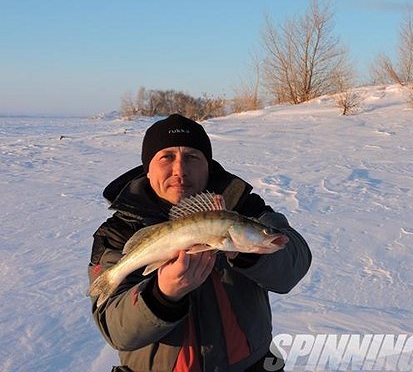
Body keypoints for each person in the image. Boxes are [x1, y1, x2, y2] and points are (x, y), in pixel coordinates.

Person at [88, 114, 312, 372]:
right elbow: (116, 330)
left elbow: (293, 262)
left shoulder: (244, 209)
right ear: (148, 169)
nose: (180, 169)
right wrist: (162, 294)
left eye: (193, 157)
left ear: (208, 164)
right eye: (166, 157)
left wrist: (252, 255)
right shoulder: (118, 232)